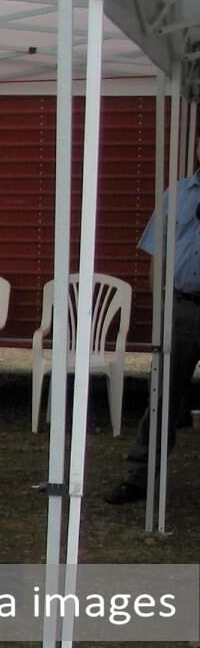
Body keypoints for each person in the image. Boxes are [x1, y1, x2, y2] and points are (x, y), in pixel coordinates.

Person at [105, 169, 200, 504]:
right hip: (182, 306)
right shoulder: (176, 195)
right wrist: (161, 308)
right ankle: (140, 477)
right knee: (163, 396)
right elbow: (156, 254)